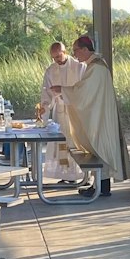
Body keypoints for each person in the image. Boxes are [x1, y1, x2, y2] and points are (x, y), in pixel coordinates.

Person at [64, 35, 130, 196]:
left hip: (100, 116)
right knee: (98, 147)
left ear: (85, 49)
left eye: (76, 50)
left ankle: (102, 188)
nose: (75, 55)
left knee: (100, 146)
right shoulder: (95, 65)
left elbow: (83, 93)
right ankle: (100, 186)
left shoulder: (96, 68)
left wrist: (63, 90)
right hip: (99, 112)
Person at [39, 40, 85, 184]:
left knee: (76, 144)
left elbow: (83, 90)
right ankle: (66, 174)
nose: (56, 60)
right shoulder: (51, 70)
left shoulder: (79, 67)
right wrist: (43, 111)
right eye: (53, 58)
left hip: (76, 113)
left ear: (64, 52)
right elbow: (46, 94)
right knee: (62, 146)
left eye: (58, 57)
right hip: (60, 112)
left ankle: (81, 174)